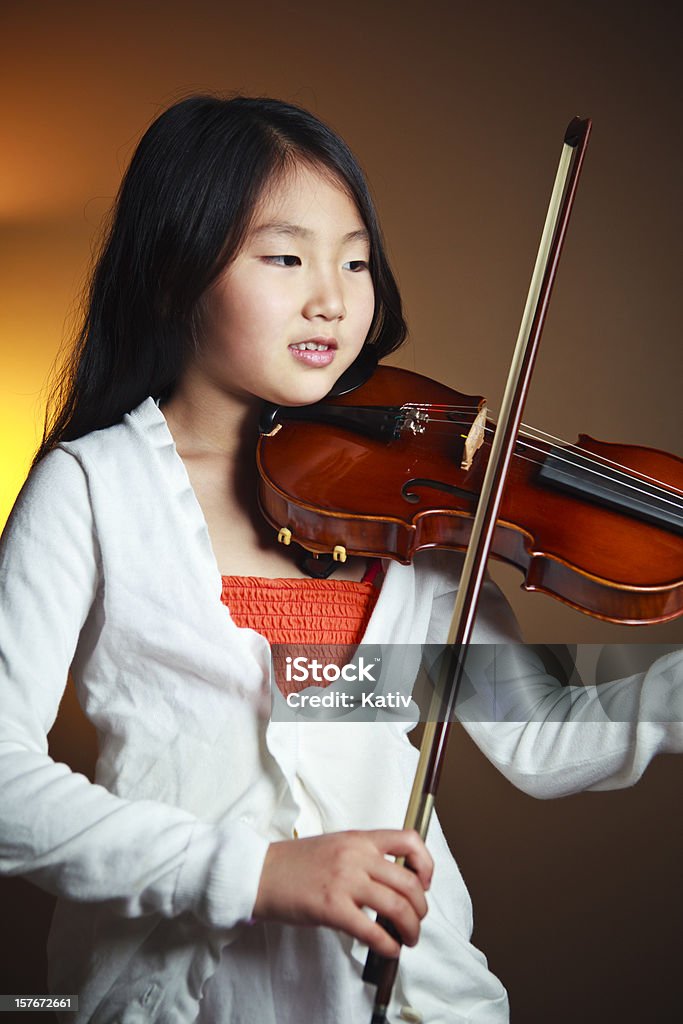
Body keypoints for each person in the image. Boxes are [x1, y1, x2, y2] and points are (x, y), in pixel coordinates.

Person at [0, 94, 680, 1024]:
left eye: (355, 261)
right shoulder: (91, 490)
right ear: (172, 274)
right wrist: (256, 872)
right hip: (178, 1001)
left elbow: (540, 736)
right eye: (285, 258)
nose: (333, 297)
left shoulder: (419, 504)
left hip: (407, 1000)